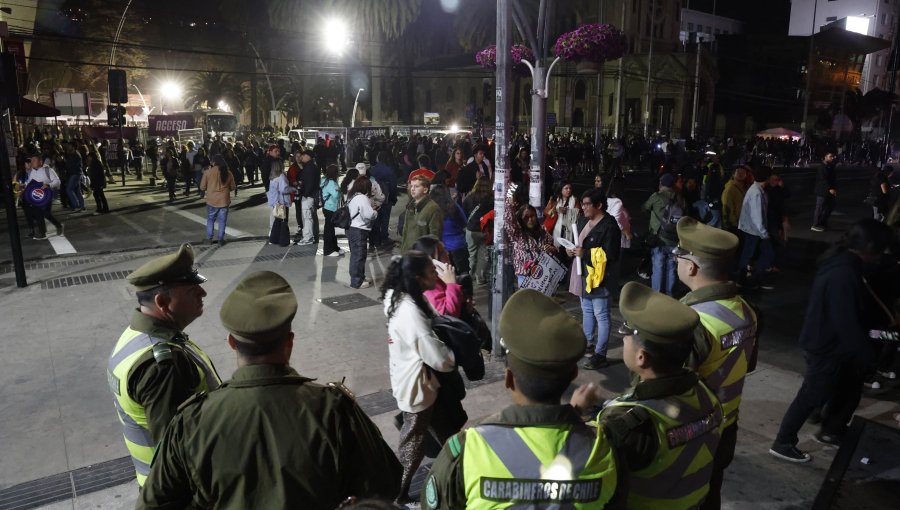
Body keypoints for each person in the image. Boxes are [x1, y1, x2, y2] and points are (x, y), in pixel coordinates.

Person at [137, 271, 402, 509]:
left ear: (231, 342)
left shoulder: (192, 422)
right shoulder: (333, 410)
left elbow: (155, 503)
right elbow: (385, 487)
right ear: (289, 343)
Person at [422, 288, 620, 510]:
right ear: (574, 374)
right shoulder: (601, 446)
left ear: (509, 379)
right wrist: (574, 416)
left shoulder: (468, 449)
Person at [574, 281, 724, 510]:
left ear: (641, 357)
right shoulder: (705, 394)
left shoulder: (628, 423)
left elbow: (581, 473)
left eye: (625, 338)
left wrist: (574, 414)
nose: (623, 341)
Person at [770, 219, 896, 463]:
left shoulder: (846, 263)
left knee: (835, 390)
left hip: (828, 344)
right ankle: (783, 442)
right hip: (825, 347)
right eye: (882, 248)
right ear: (869, 246)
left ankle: (829, 431)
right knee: (811, 395)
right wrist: (868, 356)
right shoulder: (844, 273)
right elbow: (845, 322)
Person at [107, 244, 221, 486]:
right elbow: (177, 453)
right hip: (178, 493)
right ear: (162, 301)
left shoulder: (136, 335)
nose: (203, 294)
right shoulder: (162, 365)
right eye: (192, 290)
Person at [673, 217, 759, 510]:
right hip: (727, 426)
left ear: (692, 267)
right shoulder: (746, 309)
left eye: (678, 255)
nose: (676, 261)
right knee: (711, 493)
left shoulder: (693, 322)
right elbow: (745, 365)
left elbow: (669, 388)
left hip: (692, 435)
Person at [381, 252, 457, 504]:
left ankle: (459, 467)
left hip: (418, 382)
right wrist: (453, 356)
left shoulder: (399, 295)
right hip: (417, 387)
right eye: (431, 272)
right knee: (412, 446)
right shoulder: (409, 312)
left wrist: (437, 267)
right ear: (416, 277)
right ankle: (397, 496)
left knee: (445, 432)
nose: (435, 275)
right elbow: (437, 356)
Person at [568, 189, 621, 370]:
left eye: (587, 204)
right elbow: (578, 242)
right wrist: (572, 250)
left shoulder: (609, 225)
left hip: (599, 278)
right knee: (587, 311)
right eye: (582, 204)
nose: (583, 208)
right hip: (584, 276)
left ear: (598, 205)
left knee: (602, 316)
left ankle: (600, 354)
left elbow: (611, 254)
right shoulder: (584, 220)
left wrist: (586, 253)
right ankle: (588, 344)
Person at [505, 185, 557, 287]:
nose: (530, 220)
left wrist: (552, 249)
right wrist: (509, 204)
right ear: (521, 219)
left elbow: (553, 247)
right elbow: (509, 221)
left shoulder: (542, 230)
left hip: (543, 275)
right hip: (525, 276)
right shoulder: (517, 233)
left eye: (532, 216)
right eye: (526, 217)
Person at [642, 172, 683, 296]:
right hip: (674, 238)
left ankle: (657, 295)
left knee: (658, 265)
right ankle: (670, 294)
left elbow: (644, 208)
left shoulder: (656, 197)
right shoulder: (680, 197)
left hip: (658, 238)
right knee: (671, 266)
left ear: (661, 183)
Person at [737, 166, 774, 288]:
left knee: (750, 254)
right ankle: (754, 279)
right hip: (754, 230)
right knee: (765, 254)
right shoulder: (757, 193)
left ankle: (744, 279)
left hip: (751, 229)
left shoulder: (757, 190)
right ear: (767, 178)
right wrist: (764, 234)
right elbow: (757, 217)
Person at [430, 184, 470, 274]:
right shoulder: (455, 207)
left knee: (446, 276)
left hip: (441, 249)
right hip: (458, 246)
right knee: (463, 275)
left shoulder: (432, 210)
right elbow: (464, 223)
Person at [461, 176, 493, 285]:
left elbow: (463, 211)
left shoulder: (470, 197)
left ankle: (471, 275)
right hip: (484, 231)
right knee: (483, 255)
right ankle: (480, 277)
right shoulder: (491, 198)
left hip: (471, 230)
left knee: (472, 254)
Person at [347, 176, 378, 289]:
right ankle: (356, 281)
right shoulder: (362, 198)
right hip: (359, 229)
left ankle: (360, 276)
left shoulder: (353, 196)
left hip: (352, 228)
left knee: (357, 255)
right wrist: (375, 212)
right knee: (359, 255)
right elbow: (369, 215)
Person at [399, 175, 443, 253]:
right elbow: (405, 233)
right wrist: (402, 253)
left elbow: (435, 237)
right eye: (411, 186)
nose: (412, 189)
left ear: (425, 190)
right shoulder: (410, 207)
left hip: (422, 257)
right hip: (408, 254)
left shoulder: (433, 209)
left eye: (416, 186)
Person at [24, 153, 63, 239]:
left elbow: (57, 181)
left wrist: (48, 185)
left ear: (40, 161)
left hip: (46, 197)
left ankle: (52, 228)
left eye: (34, 160)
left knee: (43, 213)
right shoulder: (32, 171)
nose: (32, 162)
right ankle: (36, 232)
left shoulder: (48, 170)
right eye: (31, 160)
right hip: (35, 196)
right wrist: (24, 186)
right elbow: (29, 182)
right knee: (34, 213)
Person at [200, 154, 236, 245]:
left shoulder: (208, 172)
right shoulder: (228, 172)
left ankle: (209, 239)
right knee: (222, 220)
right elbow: (233, 187)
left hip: (212, 200)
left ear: (214, 162)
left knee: (211, 219)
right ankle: (220, 239)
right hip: (224, 200)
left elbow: (202, 187)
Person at [370, 151, 400, 249]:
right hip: (387, 197)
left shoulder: (372, 169)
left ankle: (375, 237)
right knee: (385, 217)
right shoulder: (389, 170)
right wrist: (393, 197)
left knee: (376, 217)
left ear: (378, 158)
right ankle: (384, 237)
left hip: (374, 197)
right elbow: (393, 185)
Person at [544, 180, 581, 249]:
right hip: (556, 226)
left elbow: (578, 213)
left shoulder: (574, 200)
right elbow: (546, 212)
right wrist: (557, 210)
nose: (569, 190)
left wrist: (568, 211)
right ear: (561, 189)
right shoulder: (555, 199)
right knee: (556, 245)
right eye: (566, 188)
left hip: (569, 228)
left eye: (570, 188)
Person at [266, 160, 296, 238]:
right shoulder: (281, 176)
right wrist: (293, 189)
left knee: (277, 221)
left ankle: (275, 238)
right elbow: (284, 189)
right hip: (282, 202)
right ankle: (283, 239)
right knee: (283, 221)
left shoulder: (272, 176)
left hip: (275, 202)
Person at [296, 152, 321, 246]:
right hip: (312, 195)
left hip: (309, 196)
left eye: (303, 156)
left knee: (307, 218)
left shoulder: (309, 168)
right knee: (310, 217)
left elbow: (309, 183)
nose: (301, 157)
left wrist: (305, 194)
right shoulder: (311, 167)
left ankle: (308, 238)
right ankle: (312, 236)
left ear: (308, 156)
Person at [320, 164, 344, 257]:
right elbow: (336, 195)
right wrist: (339, 190)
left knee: (331, 229)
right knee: (329, 230)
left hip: (327, 207)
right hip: (330, 208)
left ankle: (334, 247)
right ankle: (328, 250)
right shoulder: (331, 183)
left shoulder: (324, 180)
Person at [811, 152, 837, 232]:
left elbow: (833, 179)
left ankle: (823, 223)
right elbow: (823, 179)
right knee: (819, 208)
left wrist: (834, 188)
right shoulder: (821, 167)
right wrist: (830, 189)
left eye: (832, 156)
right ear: (825, 157)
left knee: (828, 208)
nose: (832, 158)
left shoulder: (831, 166)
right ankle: (815, 225)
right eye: (830, 156)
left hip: (830, 191)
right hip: (822, 191)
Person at [721, 166, 748, 234]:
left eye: (743, 172)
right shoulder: (730, 189)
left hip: (743, 223)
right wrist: (729, 225)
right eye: (738, 171)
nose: (740, 174)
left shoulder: (744, 188)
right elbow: (726, 208)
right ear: (733, 175)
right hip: (735, 225)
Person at [86, 147, 109, 214]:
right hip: (98, 182)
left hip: (98, 182)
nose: (88, 158)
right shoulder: (96, 163)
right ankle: (103, 209)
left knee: (98, 195)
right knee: (99, 195)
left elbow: (95, 175)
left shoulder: (95, 164)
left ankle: (101, 209)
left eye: (89, 157)